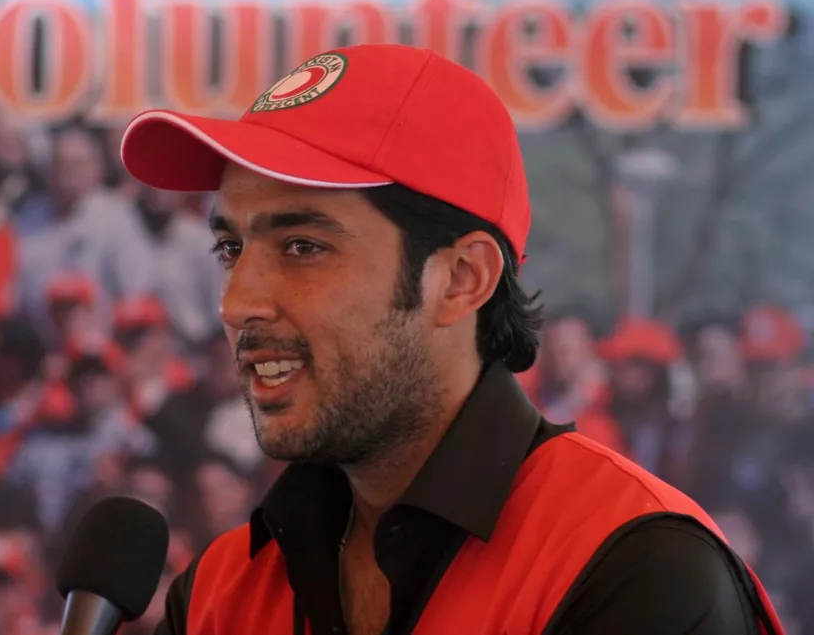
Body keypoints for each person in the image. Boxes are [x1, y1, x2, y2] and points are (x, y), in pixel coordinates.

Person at [119, 44, 785, 635]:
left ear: (463, 279)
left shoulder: (631, 563)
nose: (236, 303)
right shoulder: (220, 590)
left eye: (302, 246)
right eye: (232, 248)